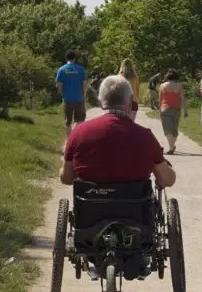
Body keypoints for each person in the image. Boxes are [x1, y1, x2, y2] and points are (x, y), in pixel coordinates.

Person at [59, 75, 176, 279]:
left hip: (89, 215)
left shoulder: (79, 133)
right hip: (136, 215)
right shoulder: (144, 136)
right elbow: (166, 180)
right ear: (129, 102)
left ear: (100, 101)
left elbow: (66, 178)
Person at [56, 50, 89, 138]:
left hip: (67, 99)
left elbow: (59, 85)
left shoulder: (61, 70)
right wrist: (84, 95)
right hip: (79, 99)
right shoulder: (81, 69)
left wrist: (62, 94)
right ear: (75, 58)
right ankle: (77, 138)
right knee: (80, 120)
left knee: (68, 122)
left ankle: (69, 141)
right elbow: (85, 84)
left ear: (66, 58)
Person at [159, 69, 188, 155]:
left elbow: (160, 99)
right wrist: (185, 110)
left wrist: (159, 109)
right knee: (174, 129)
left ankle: (171, 147)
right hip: (176, 109)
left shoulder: (162, 86)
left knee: (167, 129)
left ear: (167, 77)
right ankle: (172, 147)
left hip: (165, 108)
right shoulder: (179, 86)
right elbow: (183, 99)